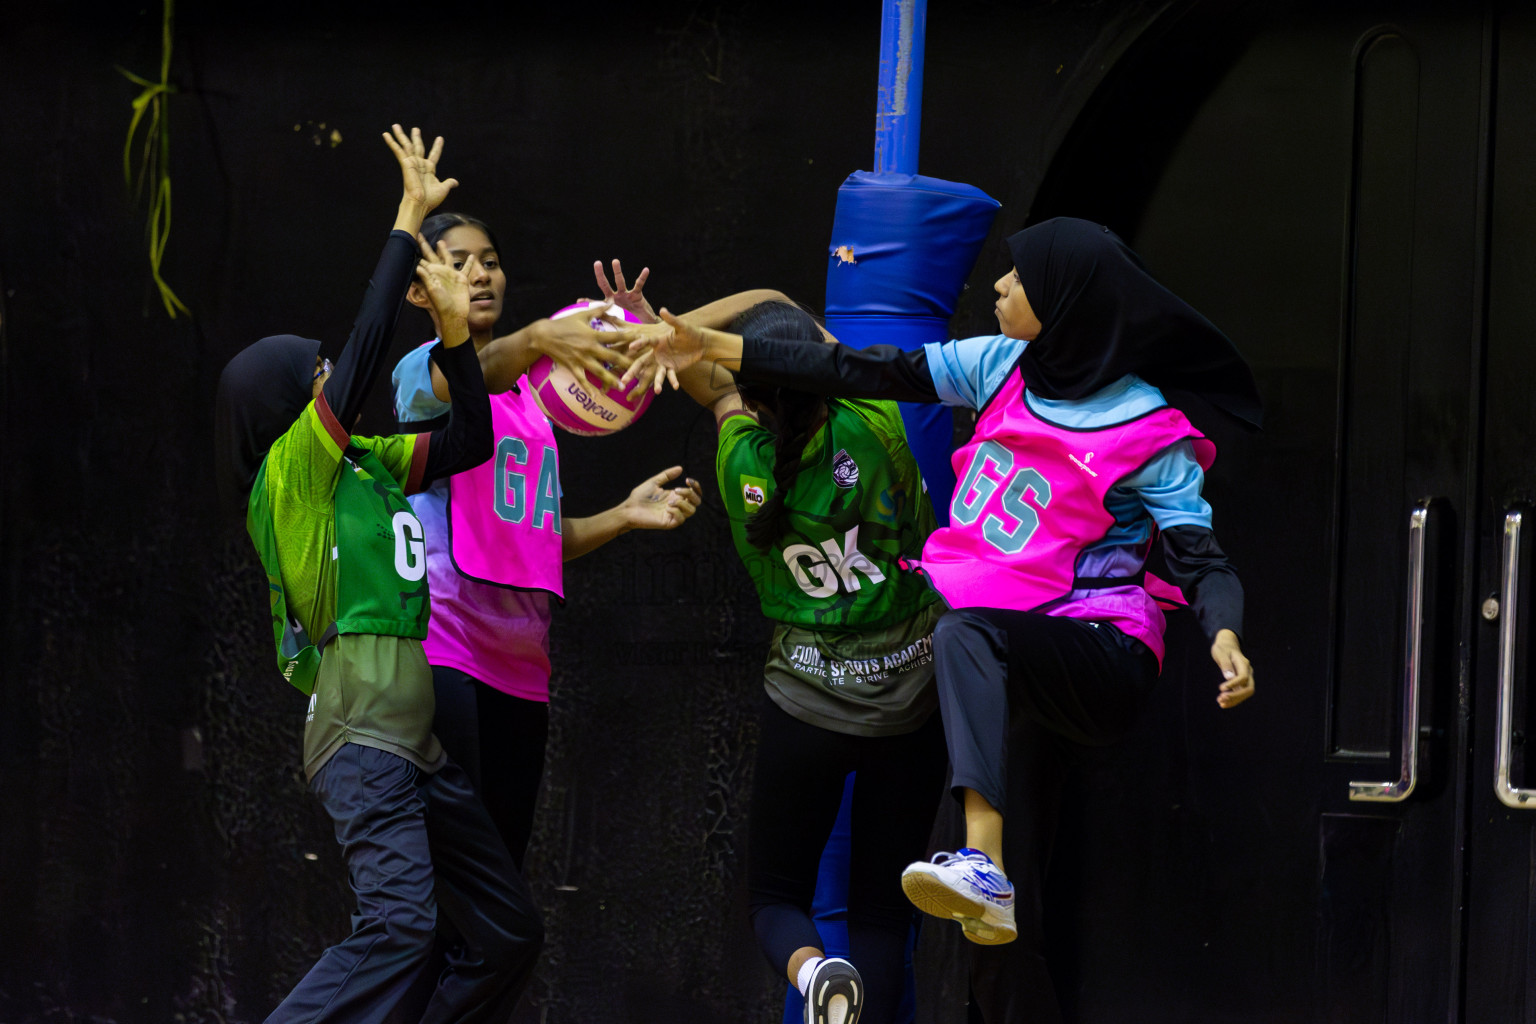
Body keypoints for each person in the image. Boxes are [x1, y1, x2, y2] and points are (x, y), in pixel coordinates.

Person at [620, 218, 1259, 1024]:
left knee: (964, 637)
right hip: (992, 657)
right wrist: (717, 346)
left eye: (1018, 278)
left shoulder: (1146, 427)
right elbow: (857, 365)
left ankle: (978, 864)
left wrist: (1225, 634)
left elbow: (1201, 557)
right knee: (990, 932)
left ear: (1063, 305)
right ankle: (989, 881)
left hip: (1095, 646)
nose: (998, 287)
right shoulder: (996, 367)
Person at [213, 125, 543, 1023]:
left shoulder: (360, 462)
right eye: (312, 373)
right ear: (285, 405)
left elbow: (469, 441)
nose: (331, 377)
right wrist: (407, 217)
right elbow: (363, 352)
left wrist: (456, 345)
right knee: (399, 928)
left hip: (416, 747)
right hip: (362, 739)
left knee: (508, 932)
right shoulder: (293, 473)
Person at [660, 295, 948, 1024]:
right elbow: (784, 307)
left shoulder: (739, 461)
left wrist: (664, 329)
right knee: (886, 910)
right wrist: (728, 339)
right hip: (913, 697)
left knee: (774, 898)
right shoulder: (874, 423)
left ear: (753, 398)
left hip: (806, 703)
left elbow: (712, 383)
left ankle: (815, 974)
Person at [391, 240, 703, 870]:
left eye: (491, 260)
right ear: (420, 291)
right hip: (442, 646)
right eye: (457, 262)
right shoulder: (420, 375)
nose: (479, 274)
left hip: (522, 663)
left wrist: (621, 517)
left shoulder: (535, 406)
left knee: (502, 877)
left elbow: (532, 543)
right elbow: (475, 376)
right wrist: (540, 335)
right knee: (450, 878)